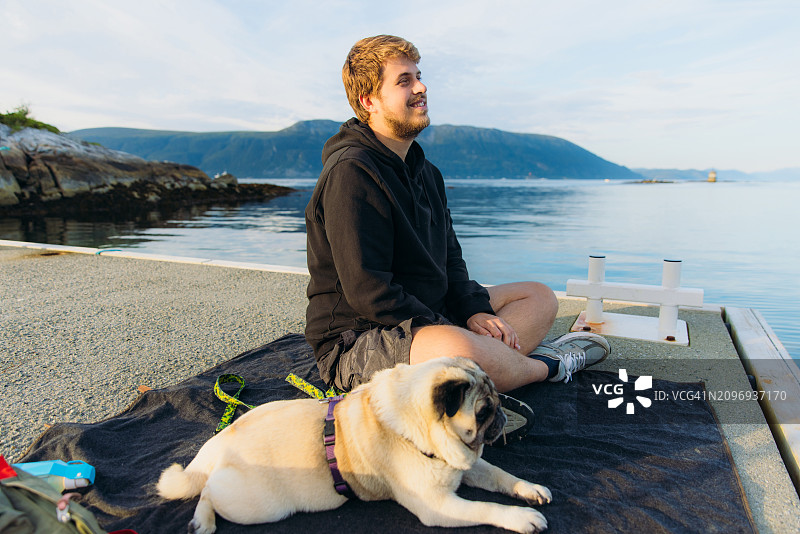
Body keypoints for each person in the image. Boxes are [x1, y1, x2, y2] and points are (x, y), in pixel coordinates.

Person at [305, 35, 609, 437]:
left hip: (432, 315)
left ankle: (489, 373)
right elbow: (369, 291)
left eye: (419, 76)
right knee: (461, 350)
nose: (421, 87)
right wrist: (452, 331)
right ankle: (546, 367)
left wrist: (472, 310)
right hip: (360, 337)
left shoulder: (426, 172)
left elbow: (451, 260)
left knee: (537, 296)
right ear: (369, 101)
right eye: (404, 80)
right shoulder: (351, 173)